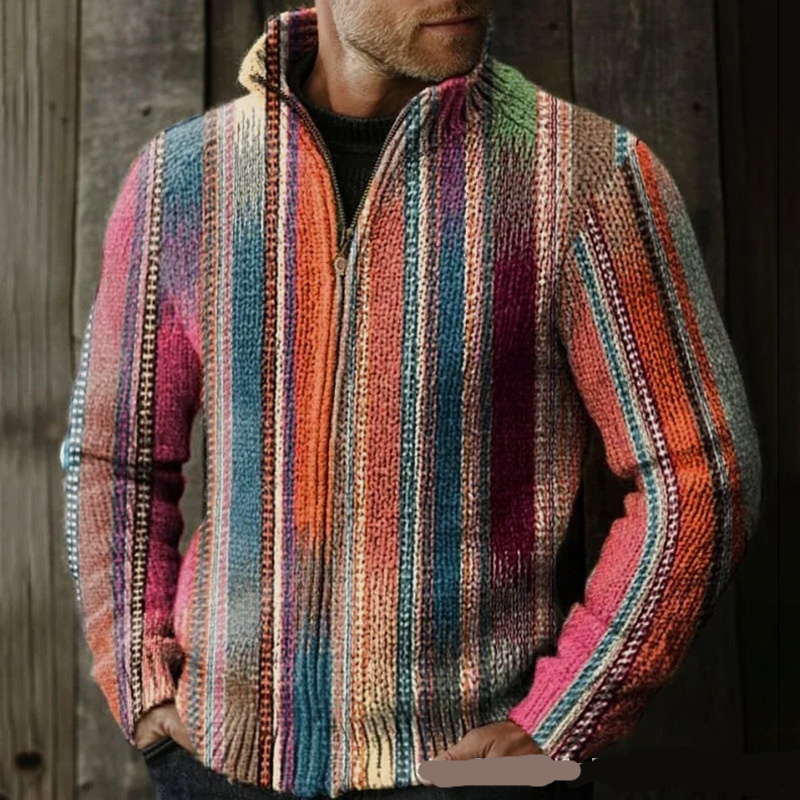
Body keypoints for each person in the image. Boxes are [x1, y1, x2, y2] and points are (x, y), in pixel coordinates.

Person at [58, 0, 763, 798]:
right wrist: (141, 676)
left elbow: (701, 473)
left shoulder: (585, 176)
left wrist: (564, 714)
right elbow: (114, 452)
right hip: (218, 761)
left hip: (470, 764)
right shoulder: (181, 180)